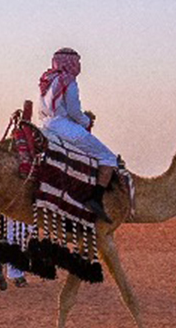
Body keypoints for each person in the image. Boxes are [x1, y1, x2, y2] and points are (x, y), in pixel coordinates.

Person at [37, 47, 121, 220]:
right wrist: (86, 122)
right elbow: (74, 111)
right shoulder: (69, 82)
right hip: (64, 126)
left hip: (46, 125)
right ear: (71, 62)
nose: (79, 66)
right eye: (77, 62)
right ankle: (95, 199)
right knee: (108, 158)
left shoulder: (47, 80)